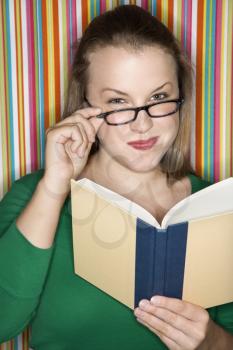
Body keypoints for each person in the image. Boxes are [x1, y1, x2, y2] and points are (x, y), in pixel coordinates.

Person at [0, 4, 232, 350]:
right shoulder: (32, 196)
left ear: (180, 98)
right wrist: (54, 188)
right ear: (85, 105)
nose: (143, 124)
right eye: (119, 102)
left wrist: (213, 342)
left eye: (159, 97)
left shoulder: (219, 209)